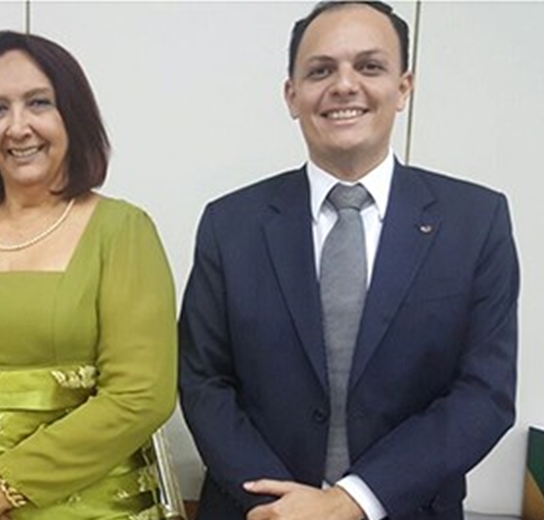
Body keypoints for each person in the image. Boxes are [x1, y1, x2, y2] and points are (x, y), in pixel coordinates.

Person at [178, 2, 519, 520]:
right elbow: (203, 381)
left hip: (408, 508)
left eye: (369, 66)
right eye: (320, 71)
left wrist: (352, 500)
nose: (344, 85)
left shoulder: (475, 221)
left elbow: (484, 394)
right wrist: (282, 507)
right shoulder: (230, 224)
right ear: (292, 95)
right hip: (258, 511)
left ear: (403, 87)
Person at [0, 30, 177, 520]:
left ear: (73, 118)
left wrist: (3, 485)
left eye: (38, 103)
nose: (17, 127)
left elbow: (141, 394)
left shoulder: (122, 231)